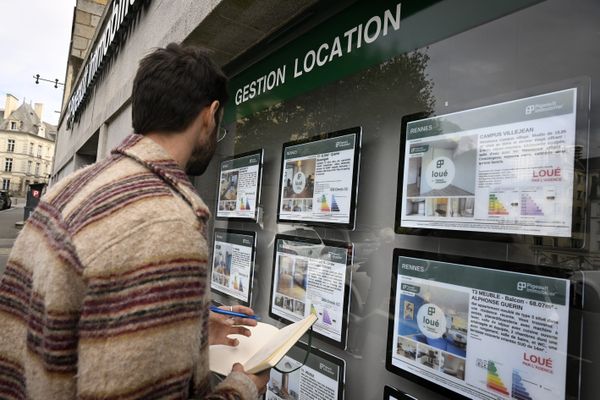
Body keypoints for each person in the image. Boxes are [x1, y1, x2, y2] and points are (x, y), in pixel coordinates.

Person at [0, 43, 268, 400]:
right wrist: (241, 389)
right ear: (210, 114)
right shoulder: (166, 223)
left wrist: (192, 324)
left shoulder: (67, 191)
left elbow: (74, 322)